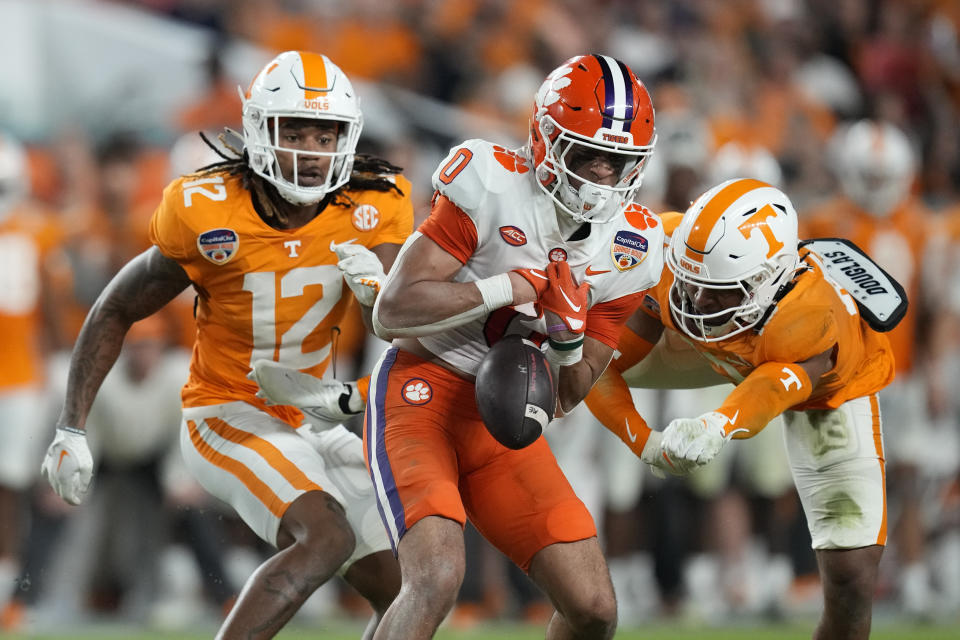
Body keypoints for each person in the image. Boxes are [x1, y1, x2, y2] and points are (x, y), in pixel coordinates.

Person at [39, 50, 411, 640]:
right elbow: (115, 307)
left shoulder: (375, 205)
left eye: (326, 133)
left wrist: (380, 297)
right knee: (328, 536)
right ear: (260, 130)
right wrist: (71, 426)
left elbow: (400, 325)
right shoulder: (205, 208)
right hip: (226, 411)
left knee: (406, 594)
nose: (311, 151)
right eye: (295, 130)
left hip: (314, 414)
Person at [368, 54, 659, 639]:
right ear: (547, 143)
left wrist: (568, 340)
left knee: (594, 607)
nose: (599, 177)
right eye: (587, 156)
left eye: (616, 163)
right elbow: (392, 311)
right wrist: (506, 287)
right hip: (421, 391)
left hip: (504, 422)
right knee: (438, 576)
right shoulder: (491, 184)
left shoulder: (633, 247)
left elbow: (568, 397)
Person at [585, 178, 896, 639]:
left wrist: (719, 424)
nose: (697, 301)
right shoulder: (666, 257)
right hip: (718, 348)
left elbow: (773, 386)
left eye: (718, 289)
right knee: (575, 352)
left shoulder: (809, 314)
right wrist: (644, 442)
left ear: (767, 280)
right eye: (691, 282)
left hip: (824, 388)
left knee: (851, 569)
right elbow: (594, 370)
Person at [0, 131, 67, 630]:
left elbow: (52, 311)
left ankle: (9, 587)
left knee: (13, 484)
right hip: (20, 373)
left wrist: (54, 365)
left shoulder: (38, 232)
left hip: (21, 376)